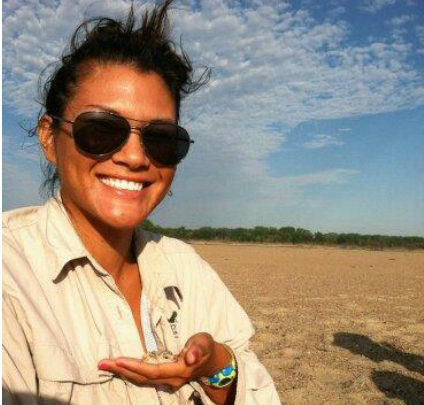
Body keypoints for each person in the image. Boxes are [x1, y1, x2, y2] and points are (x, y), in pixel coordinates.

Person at [2, 1, 281, 404]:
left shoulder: (185, 268)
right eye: (101, 129)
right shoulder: (11, 275)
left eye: (161, 139)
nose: (135, 157)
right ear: (49, 137)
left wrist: (215, 364)